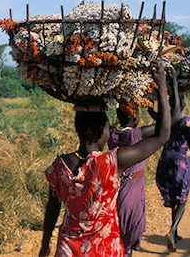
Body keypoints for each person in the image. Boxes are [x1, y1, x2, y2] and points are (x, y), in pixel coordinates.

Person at [39, 63, 171, 257]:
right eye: (108, 128)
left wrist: (45, 245)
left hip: (68, 248)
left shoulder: (59, 166)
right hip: (103, 248)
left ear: (78, 129)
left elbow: (52, 209)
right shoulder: (112, 162)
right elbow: (163, 135)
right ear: (101, 131)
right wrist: (162, 87)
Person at [156, 69, 190, 252]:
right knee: (183, 198)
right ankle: (172, 231)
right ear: (182, 104)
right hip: (181, 162)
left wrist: (158, 90)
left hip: (165, 160)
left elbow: (154, 110)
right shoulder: (188, 122)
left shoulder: (162, 119)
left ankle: (176, 232)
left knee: (173, 195)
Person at [108, 104, 156, 257]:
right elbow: (164, 127)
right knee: (128, 234)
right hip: (132, 192)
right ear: (135, 117)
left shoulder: (112, 133)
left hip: (116, 189)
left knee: (119, 231)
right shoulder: (135, 135)